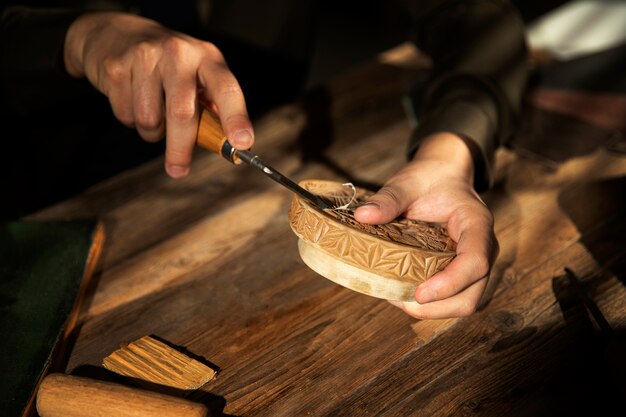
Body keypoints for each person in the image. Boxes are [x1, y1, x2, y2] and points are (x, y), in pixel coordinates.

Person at [0, 1, 528, 319]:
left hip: (253, 148)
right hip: (36, 204)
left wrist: (449, 152)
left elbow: (478, 18)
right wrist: (75, 35)